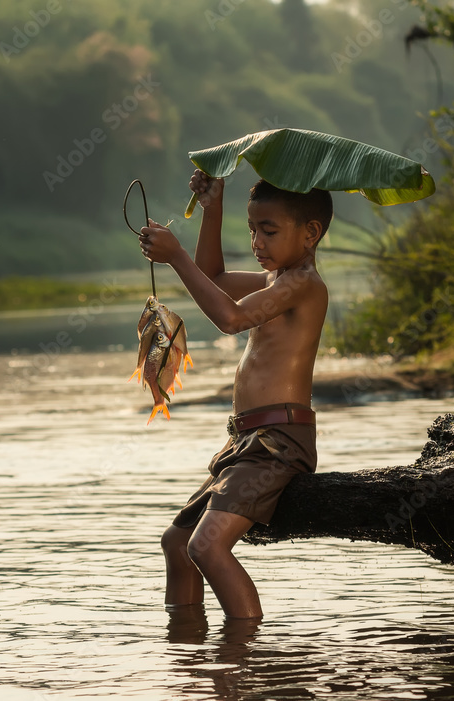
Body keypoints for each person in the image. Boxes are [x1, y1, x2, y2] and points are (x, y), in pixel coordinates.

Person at [138, 169, 332, 619]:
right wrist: (213, 209)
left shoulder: (304, 285)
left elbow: (228, 318)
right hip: (246, 444)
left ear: (310, 233)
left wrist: (175, 256)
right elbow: (215, 276)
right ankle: (186, 650)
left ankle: (245, 656)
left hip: (278, 444)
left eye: (268, 230)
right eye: (252, 230)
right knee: (177, 542)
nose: (257, 241)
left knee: (206, 546)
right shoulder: (276, 282)